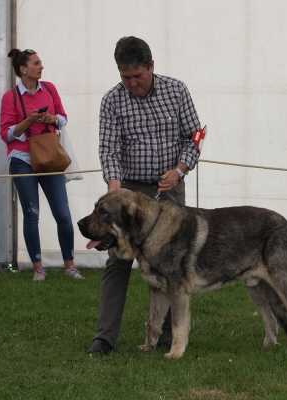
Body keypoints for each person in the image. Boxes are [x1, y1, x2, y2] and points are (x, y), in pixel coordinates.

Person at [87, 36, 202, 354]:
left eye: (138, 76)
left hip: (168, 186)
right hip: (129, 192)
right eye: (125, 77)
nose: (132, 83)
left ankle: (168, 335)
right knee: (117, 260)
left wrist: (178, 170)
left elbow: (194, 137)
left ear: (152, 66)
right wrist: (114, 189)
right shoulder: (112, 100)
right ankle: (104, 337)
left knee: (171, 262)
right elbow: (109, 147)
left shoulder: (176, 90)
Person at [0, 48, 83, 282]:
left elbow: (63, 118)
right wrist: (29, 121)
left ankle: (70, 266)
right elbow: (6, 134)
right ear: (23, 69)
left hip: (49, 157)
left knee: (63, 214)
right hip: (22, 160)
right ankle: (38, 269)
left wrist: (52, 119)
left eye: (41, 63)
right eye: (36, 63)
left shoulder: (50, 89)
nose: (41, 66)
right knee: (31, 214)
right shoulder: (11, 97)